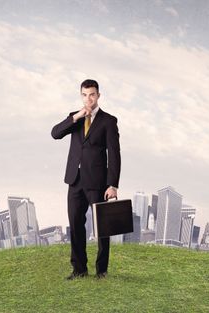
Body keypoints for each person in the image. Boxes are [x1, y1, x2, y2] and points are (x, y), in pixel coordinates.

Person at [51, 79, 121, 280]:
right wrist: (76, 117)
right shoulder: (76, 117)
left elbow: (114, 155)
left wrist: (113, 184)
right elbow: (55, 133)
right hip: (74, 180)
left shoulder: (108, 121)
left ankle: (102, 271)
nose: (88, 98)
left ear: (98, 95)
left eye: (92, 94)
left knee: (102, 228)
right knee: (75, 224)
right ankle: (79, 269)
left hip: (98, 182)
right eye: (84, 95)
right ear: (81, 95)